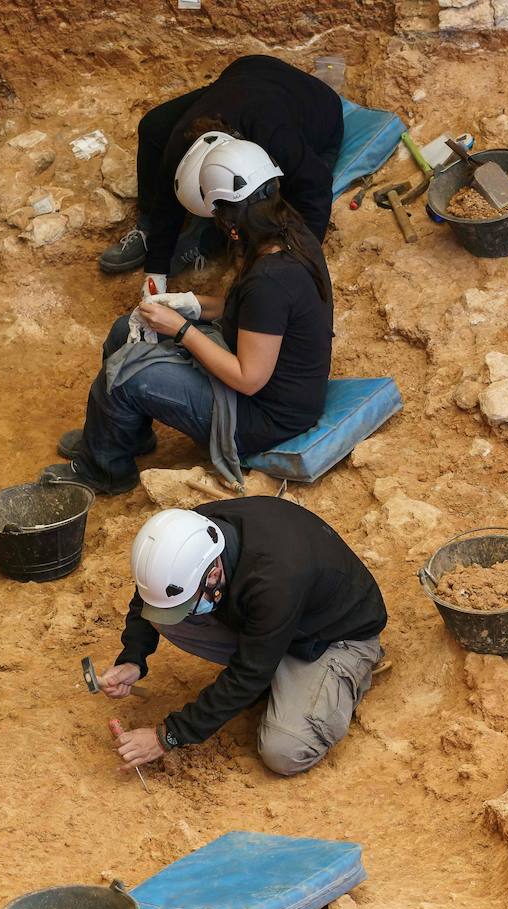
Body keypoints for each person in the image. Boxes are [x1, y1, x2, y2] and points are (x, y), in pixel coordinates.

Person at [44, 140, 334, 495]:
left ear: (230, 217)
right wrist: (192, 304)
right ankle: (123, 438)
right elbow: (255, 315)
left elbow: (248, 378)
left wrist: (182, 330)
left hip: (264, 416)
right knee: (125, 332)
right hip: (270, 385)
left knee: (123, 378)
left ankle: (104, 472)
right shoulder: (289, 233)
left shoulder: (271, 279)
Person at [99, 500, 386, 776]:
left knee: (284, 751)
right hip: (274, 623)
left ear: (213, 574)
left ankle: (340, 679)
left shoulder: (274, 581)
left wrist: (165, 736)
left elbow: (248, 674)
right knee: (163, 613)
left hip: (334, 637)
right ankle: (278, 678)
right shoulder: (190, 537)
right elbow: (151, 599)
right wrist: (133, 659)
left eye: (189, 600)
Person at [98, 54, 343, 294]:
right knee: (154, 125)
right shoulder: (182, 140)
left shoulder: (277, 136)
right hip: (248, 70)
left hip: (317, 106)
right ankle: (147, 229)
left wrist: (298, 265)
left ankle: (210, 238)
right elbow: (166, 199)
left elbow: (316, 189)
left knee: (273, 204)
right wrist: (156, 272)